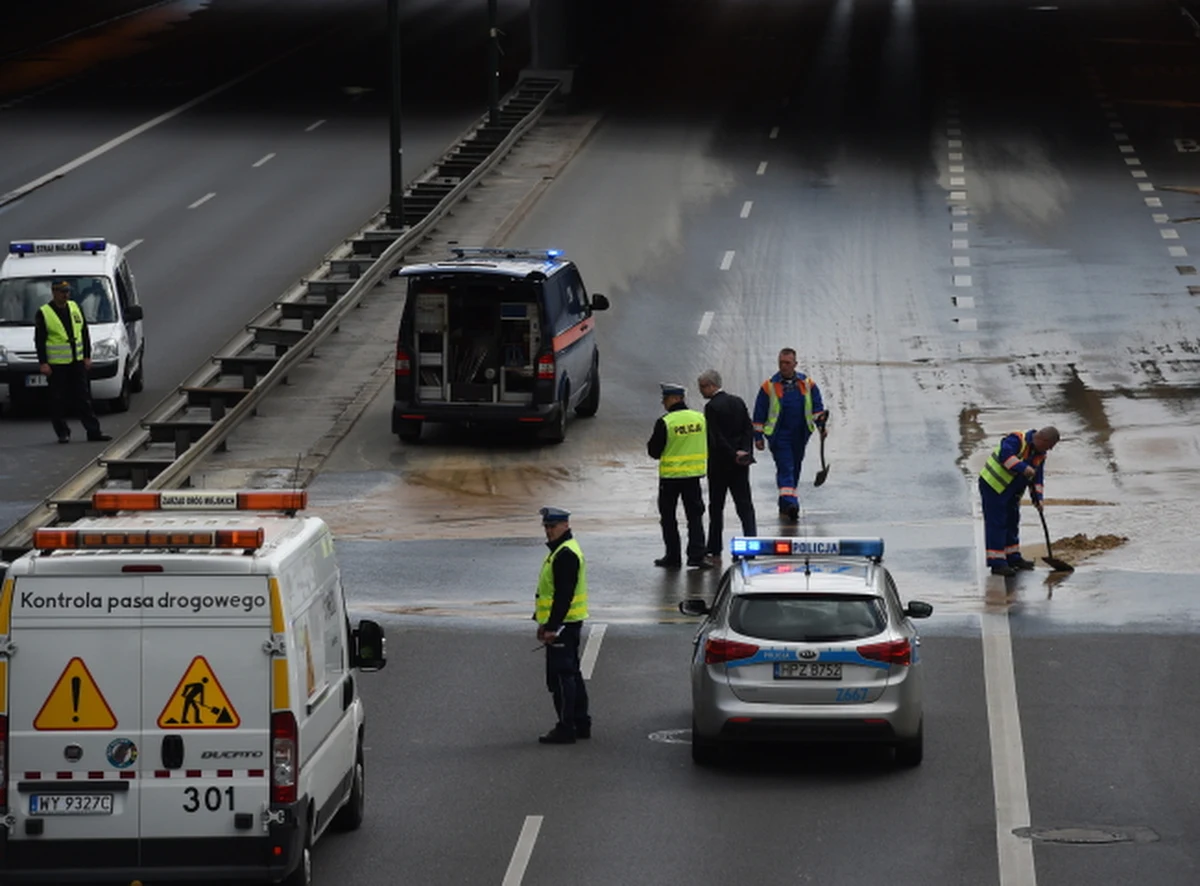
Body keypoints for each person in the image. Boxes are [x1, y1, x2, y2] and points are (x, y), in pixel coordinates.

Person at [533, 506, 592, 745]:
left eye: (552, 527)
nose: (548, 531)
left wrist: (551, 627)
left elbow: (563, 595)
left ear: (565, 526)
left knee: (561, 678)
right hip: (567, 623)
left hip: (563, 625)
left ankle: (566, 727)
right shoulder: (563, 550)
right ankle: (581, 723)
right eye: (546, 527)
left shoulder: (564, 554)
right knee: (572, 675)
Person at [753, 348, 827, 520]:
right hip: (779, 436)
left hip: (800, 434)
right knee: (786, 467)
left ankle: (785, 504)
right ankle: (792, 503)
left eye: (787, 363)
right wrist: (758, 437)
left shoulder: (807, 384)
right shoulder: (769, 386)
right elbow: (759, 413)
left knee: (795, 468)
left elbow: (817, 409)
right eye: (781, 363)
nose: (783, 366)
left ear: (795, 364)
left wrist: (821, 426)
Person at [35, 280, 110, 444]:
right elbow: (39, 340)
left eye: (67, 291)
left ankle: (93, 431)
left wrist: (87, 356)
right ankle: (62, 432)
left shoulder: (75, 307)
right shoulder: (44, 312)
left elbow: (84, 333)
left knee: (83, 398)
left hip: (77, 361)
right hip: (57, 364)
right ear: (54, 292)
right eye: (62, 292)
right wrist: (43, 363)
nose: (66, 295)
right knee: (58, 399)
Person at [979, 426, 1060, 577]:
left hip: (1012, 490)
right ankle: (997, 563)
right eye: (1049, 446)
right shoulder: (1016, 439)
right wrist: (1024, 468)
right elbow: (1006, 457)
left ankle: (1013, 558)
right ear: (1043, 439)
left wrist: (1038, 499)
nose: (1049, 450)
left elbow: (1037, 478)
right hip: (993, 486)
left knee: (1012, 520)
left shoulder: (1040, 454)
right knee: (997, 522)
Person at [647, 383, 710, 569]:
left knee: (668, 517)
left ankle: (673, 557)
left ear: (675, 399)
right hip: (693, 477)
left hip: (670, 478)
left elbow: (654, 451)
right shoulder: (700, 419)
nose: (663, 403)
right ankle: (697, 556)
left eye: (665, 399)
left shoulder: (666, 422)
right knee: (695, 516)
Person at [698, 369, 756, 564]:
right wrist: (744, 452)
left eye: (702, 387)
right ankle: (751, 543)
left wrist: (731, 454)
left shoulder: (711, 407)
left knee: (717, 507)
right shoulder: (738, 402)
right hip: (740, 465)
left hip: (720, 466)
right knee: (745, 506)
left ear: (711, 386)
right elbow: (748, 429)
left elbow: (715, 438)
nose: (701, 391)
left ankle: (714, 547)